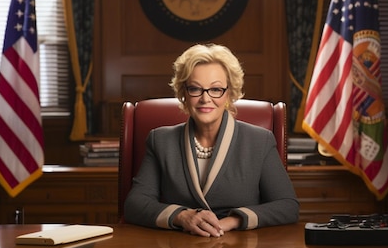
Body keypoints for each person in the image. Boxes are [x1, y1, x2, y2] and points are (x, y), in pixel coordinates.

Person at [124, 43, 300, 236]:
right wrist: (182, 216)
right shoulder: (161, 140)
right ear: (183, 94)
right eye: (195, 89)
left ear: (229, 93)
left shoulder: (260, 141)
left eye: (216, 89)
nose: (205, 98)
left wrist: (233, 221)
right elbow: (135, 204)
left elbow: (287, 206)